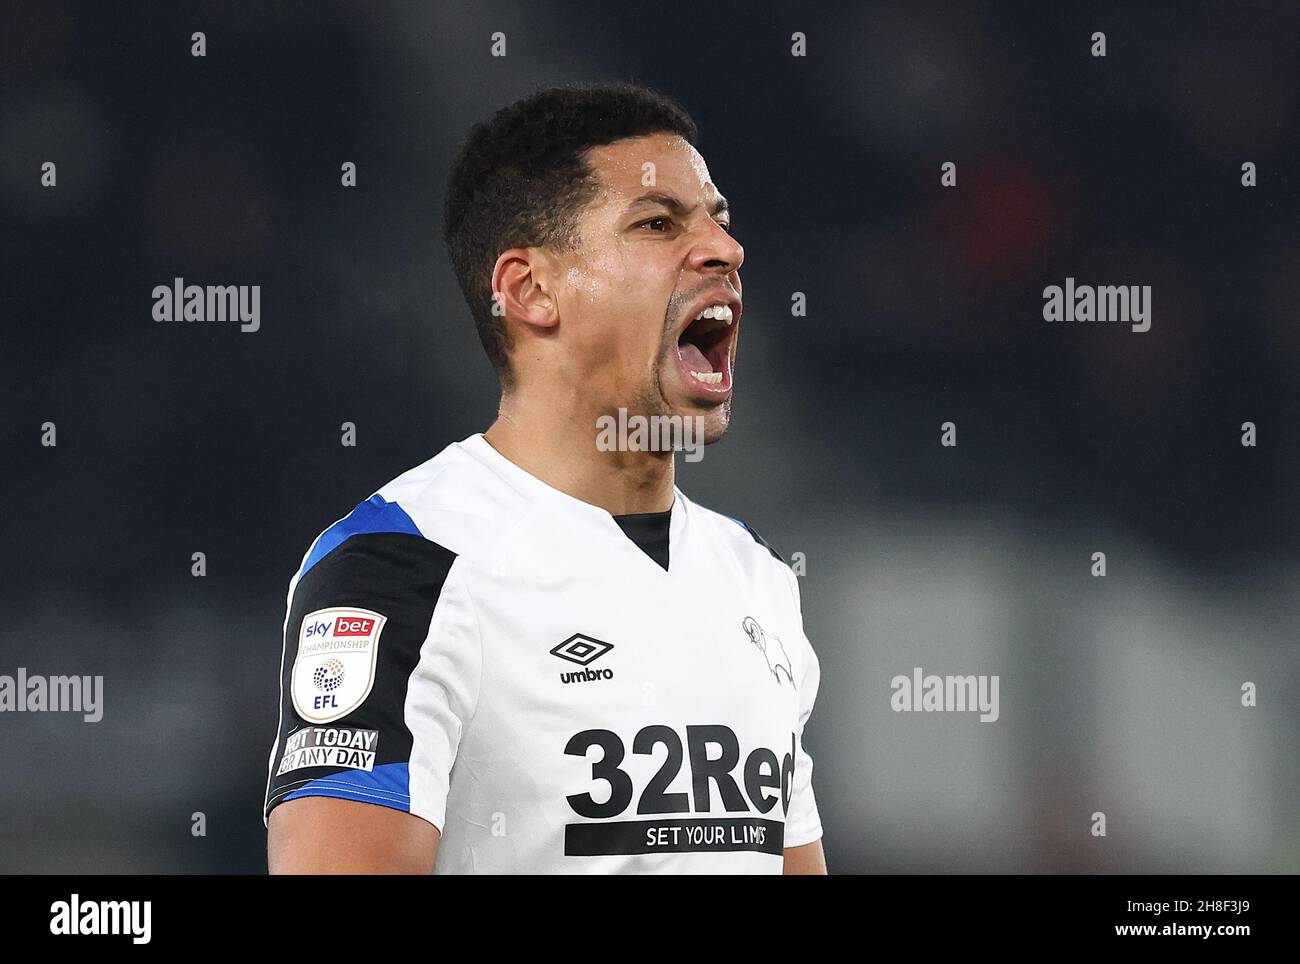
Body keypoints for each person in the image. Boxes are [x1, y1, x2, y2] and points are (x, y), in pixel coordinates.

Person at [265, 82, 826, 874]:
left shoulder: (756, 575)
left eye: (719, 222)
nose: (724, 251)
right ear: (530, 291)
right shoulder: (403, 564)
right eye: (658, 224)